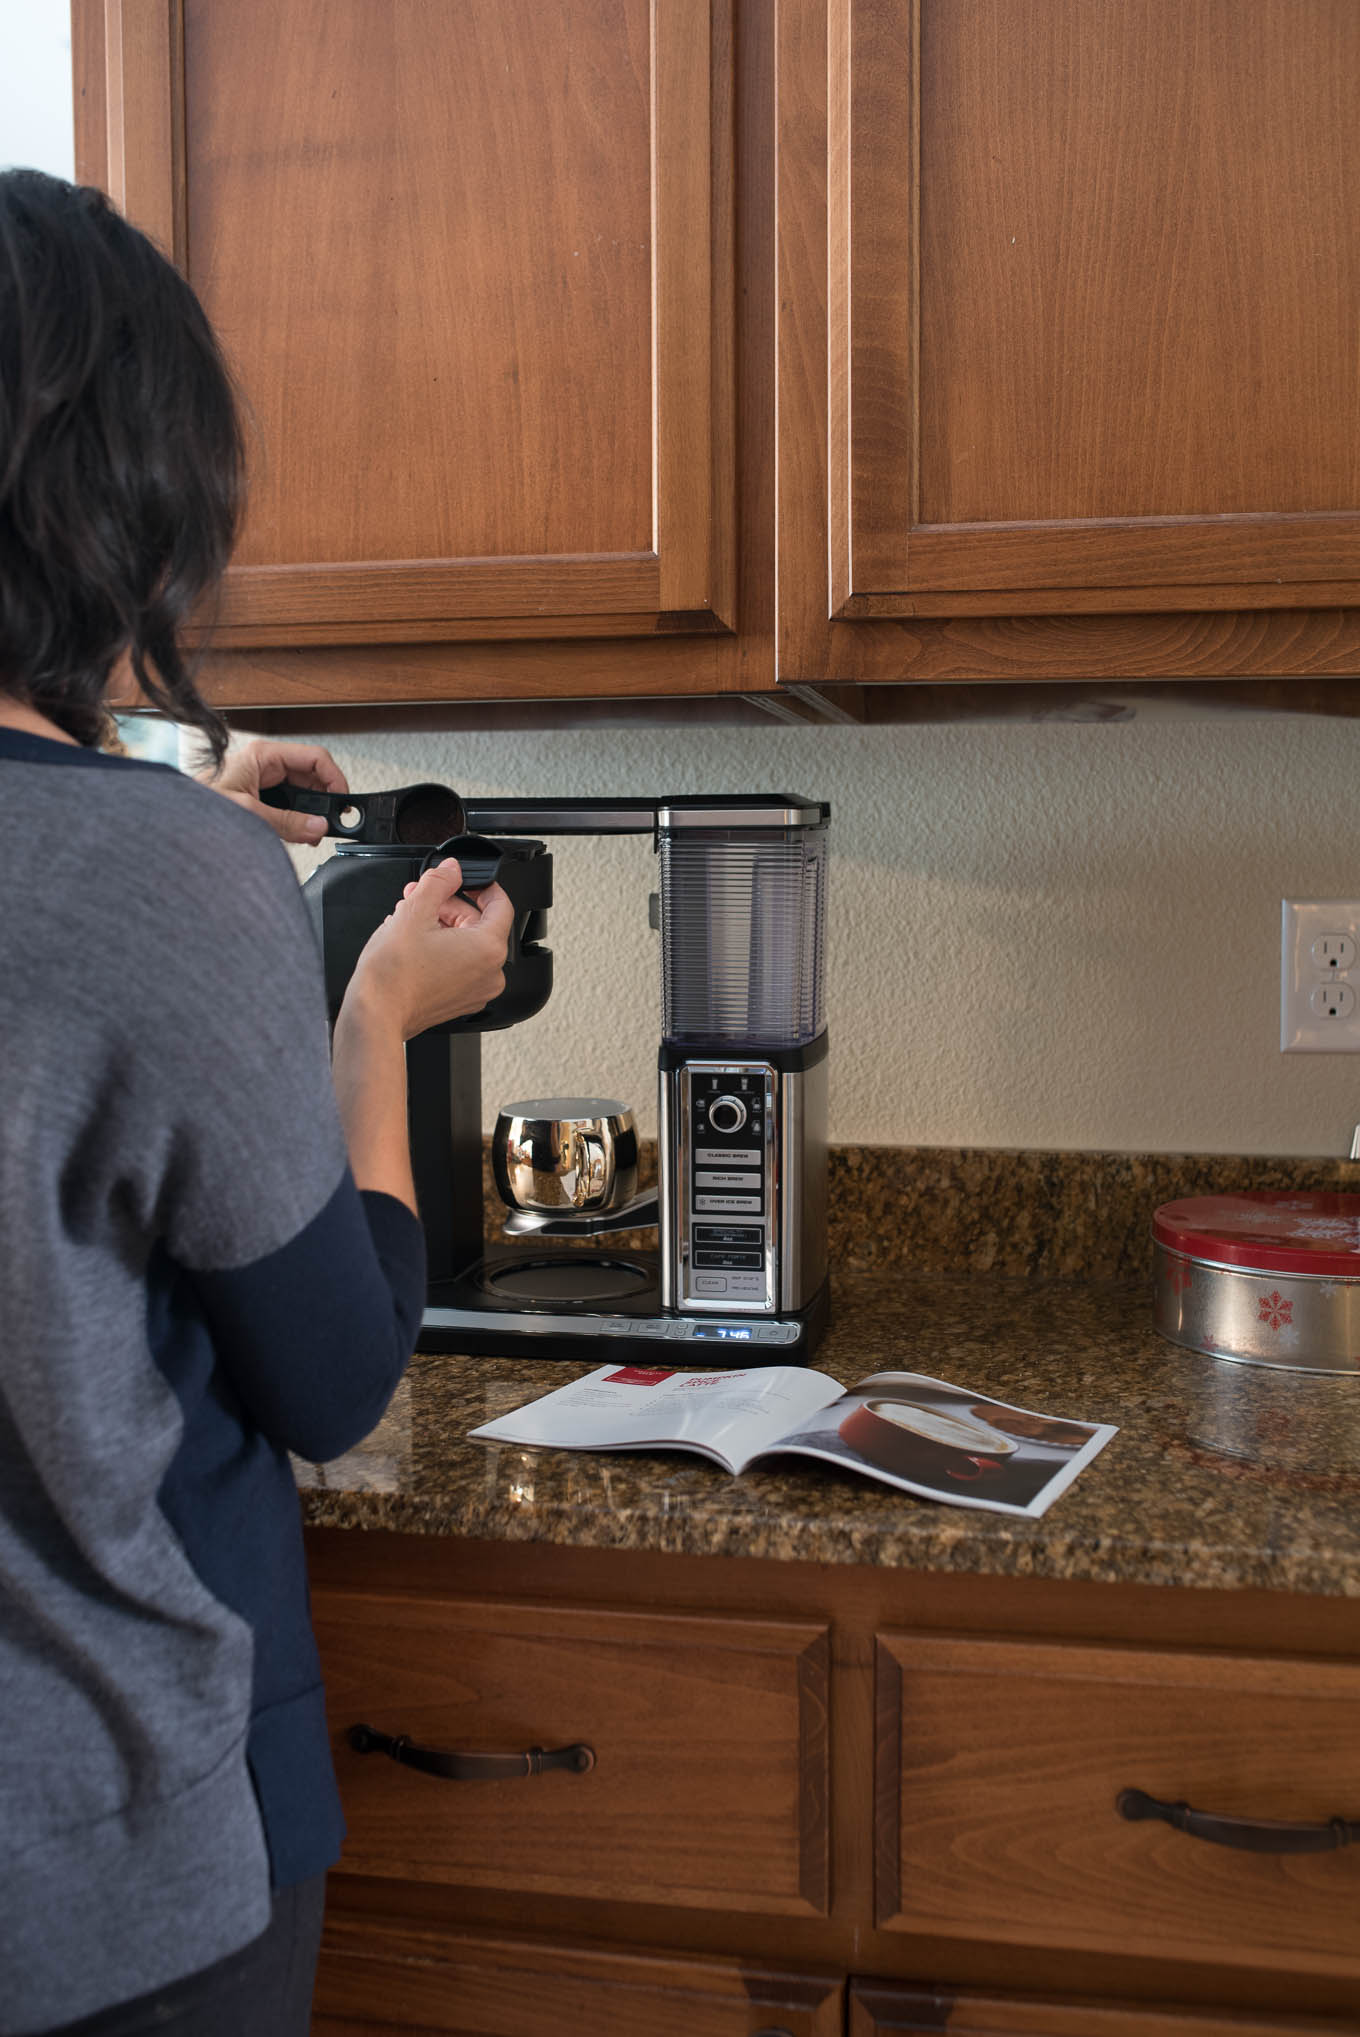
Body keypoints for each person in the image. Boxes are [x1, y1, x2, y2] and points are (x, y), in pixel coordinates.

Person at [0, 169, 512, 2035]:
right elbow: (333, 1375)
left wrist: (161, 803)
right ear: (127, 496)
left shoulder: (150, 860)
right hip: (100, 1875)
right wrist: (372, 1011)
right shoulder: (159, 885)